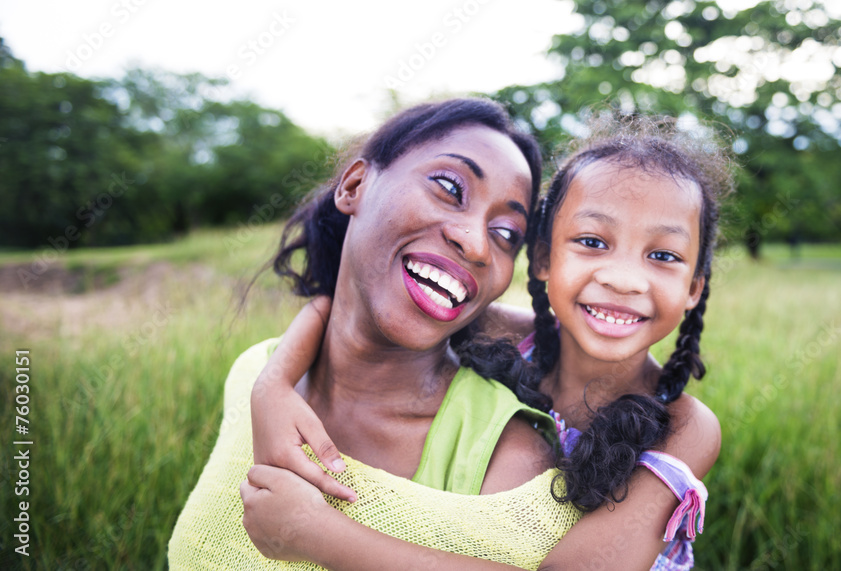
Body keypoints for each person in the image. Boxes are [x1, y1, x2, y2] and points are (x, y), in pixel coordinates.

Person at [243, 114, 731, 570]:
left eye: (663, 254)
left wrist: (317, 533)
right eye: (592, 242)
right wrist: (272, 385)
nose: (625, 280)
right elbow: (343, 305)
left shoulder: (685, 424)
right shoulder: (504, 332)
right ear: (541, 259)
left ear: (694, 288)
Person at [168, 98, 585, 569]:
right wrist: (273, 379)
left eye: (507, 233)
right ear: (355, 185)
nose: (475, 242)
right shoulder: (254, 374)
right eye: (450, 187)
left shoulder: (507, 460)